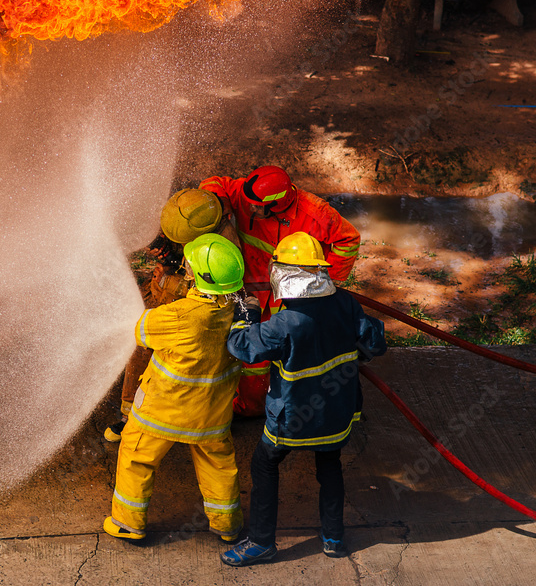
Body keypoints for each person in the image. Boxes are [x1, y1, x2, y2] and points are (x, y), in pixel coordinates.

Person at [219, 232, 387, 566]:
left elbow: (242, 347)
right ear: (319, 271)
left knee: (264, 465)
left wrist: (246, 315)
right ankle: (333, 538)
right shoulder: (345, 304)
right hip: (338, 414)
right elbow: (375, 341)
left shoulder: (283, 324)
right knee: (329, 465)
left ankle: (262, 543)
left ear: (283, 274)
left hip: (293, 418)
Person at [104, 233, 245, 544]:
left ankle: (128, 523)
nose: (186, 268)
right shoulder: (239, 310)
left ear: (198, 276)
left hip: (162, 412)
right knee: (219, 466)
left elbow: (141, 331)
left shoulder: (178, 315)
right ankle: (227, 525)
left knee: (135, 457)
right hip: (212, 415)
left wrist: (166, 294)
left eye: (189, 267)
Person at [200, 166, 361, 417]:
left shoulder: (314, 213)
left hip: (287, 297)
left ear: (276, 204)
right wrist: (224, 214)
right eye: (248, 203)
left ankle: (253, 407)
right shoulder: (248, 194)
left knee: (264, 354)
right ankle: (250, 399)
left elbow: (348, 239)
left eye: (256, 207)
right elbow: (213, 182)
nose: (249, 208)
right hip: (245, 287)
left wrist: (329, 284)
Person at [104, 188, 239, 442]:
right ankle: (128, 410)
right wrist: (167, 256)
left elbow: (219, 293)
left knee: (147, 338)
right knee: (142, 336)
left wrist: (174, 283)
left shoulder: (225, 245)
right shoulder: (195, 209)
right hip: (176, 290)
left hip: (195, 309)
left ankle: (135, 415)